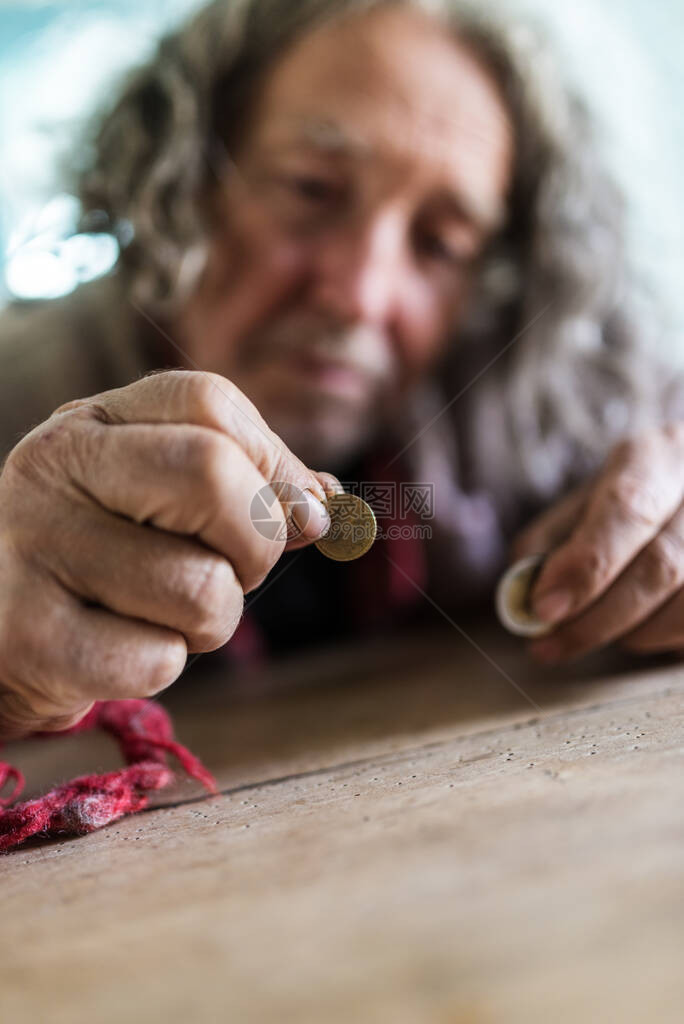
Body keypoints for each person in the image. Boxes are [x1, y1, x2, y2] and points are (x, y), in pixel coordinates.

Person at [0, 0, 682, 740]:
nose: (360, 295)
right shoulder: (17, 395)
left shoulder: (551, 396)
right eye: (311, 190)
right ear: (183, 174)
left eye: (441, 243)